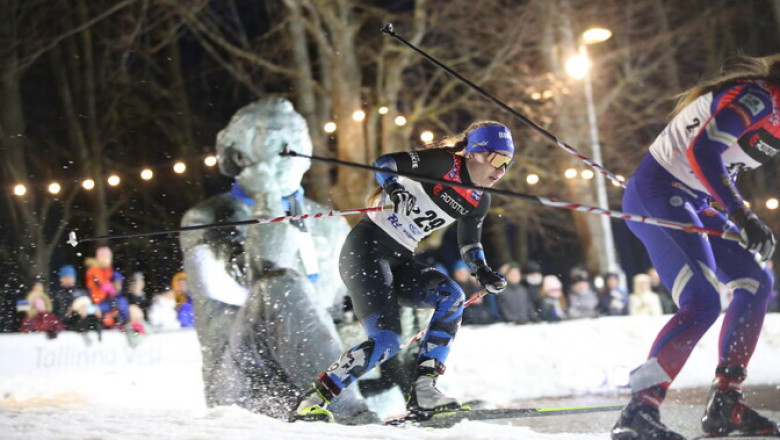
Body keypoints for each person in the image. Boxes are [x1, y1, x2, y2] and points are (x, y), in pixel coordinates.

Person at [291, 121, 513, 422]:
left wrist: (482, 271)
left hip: (400, 259)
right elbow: (385, 163)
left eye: (507, 164)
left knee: (452, 296)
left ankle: (424, 391)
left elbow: (470, 243)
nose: (500, 170)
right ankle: (312, 401)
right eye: (497, 159)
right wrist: (394, 187)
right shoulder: (445, 164)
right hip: (367, 250)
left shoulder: (479, 199)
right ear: (474, 152)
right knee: (386, 340)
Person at [612, 54, 780, 440]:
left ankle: (726, 402)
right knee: (703, 301)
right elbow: (702, 151)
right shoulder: (759, 99)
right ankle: (640, 409)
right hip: (660, 193)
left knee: (755, 281)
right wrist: (742, 215)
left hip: (692, 199)